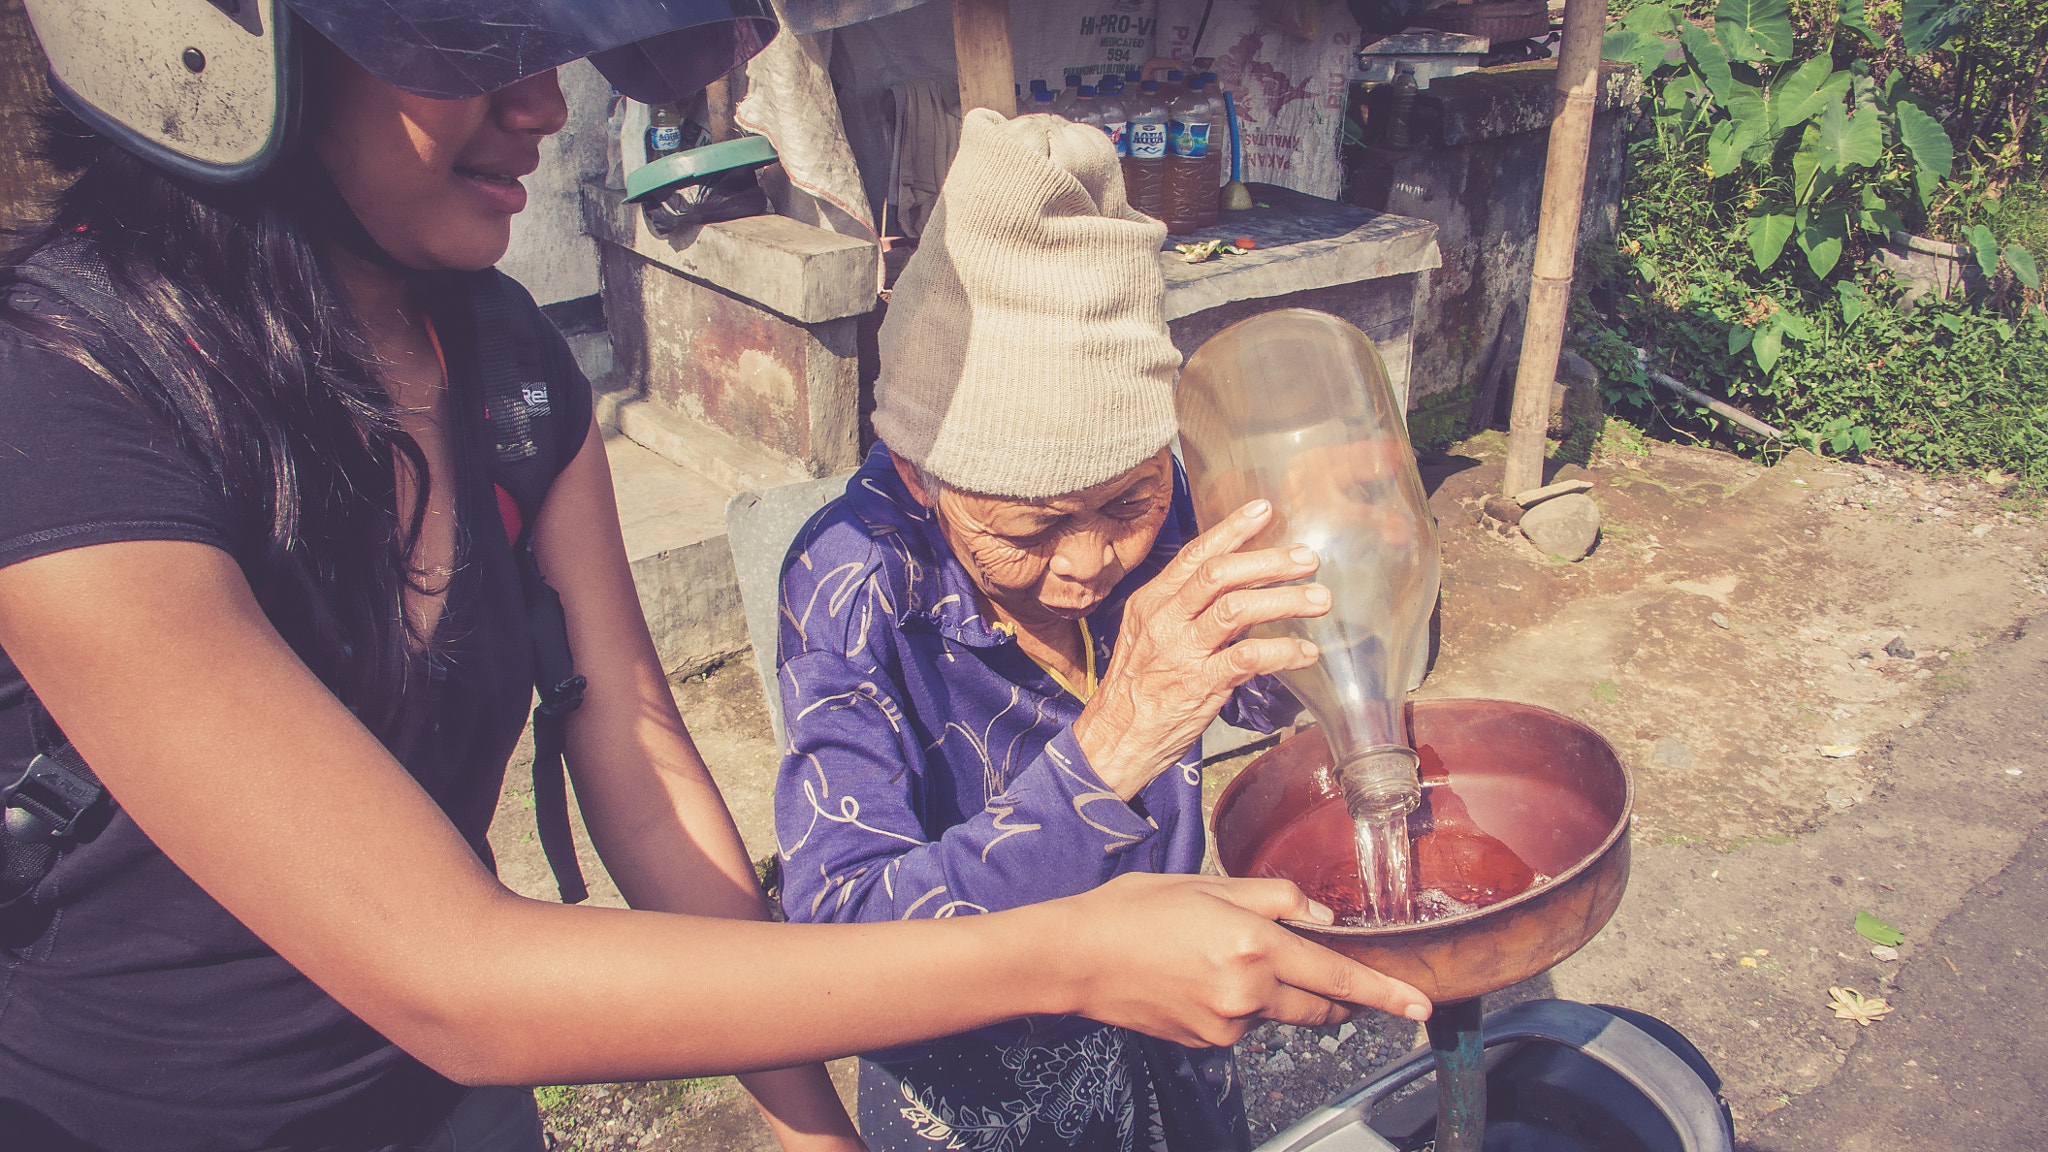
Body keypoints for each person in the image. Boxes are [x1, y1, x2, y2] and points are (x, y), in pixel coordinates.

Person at [0, 5, 1430, 1152]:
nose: (547, 106)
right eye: (466, 43)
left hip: (452, 1117)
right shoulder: (61, 405)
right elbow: (451, 974)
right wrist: (1071, 937)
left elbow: (636, 754)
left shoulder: (501, 363)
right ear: (220, 43)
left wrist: (806, 1120)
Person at [772, 110, 1410, 1152]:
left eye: (1125, 504)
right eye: (1022, 529)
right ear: (920, 475)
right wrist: (1108, 744)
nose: (1083, 565)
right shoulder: (852, 580)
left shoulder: (1164, 503)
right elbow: (840, 932)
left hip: (1180, 1033)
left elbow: (1257, 689)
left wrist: (1330, 555)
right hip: (981, 1089)